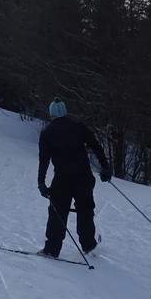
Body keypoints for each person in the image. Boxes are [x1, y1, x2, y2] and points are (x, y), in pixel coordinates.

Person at [37, 97, 111, 257]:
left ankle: (52, 249)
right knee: (85, 209)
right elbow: (95, 145)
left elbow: (44, 160)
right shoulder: (78, 126)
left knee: (57, 212)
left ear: (51, 114)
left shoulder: (47, 133)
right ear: (64, 111)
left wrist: (41, 183)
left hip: (62, 179)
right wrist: (105, 167)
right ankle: (88, 244)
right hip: (83, 176)